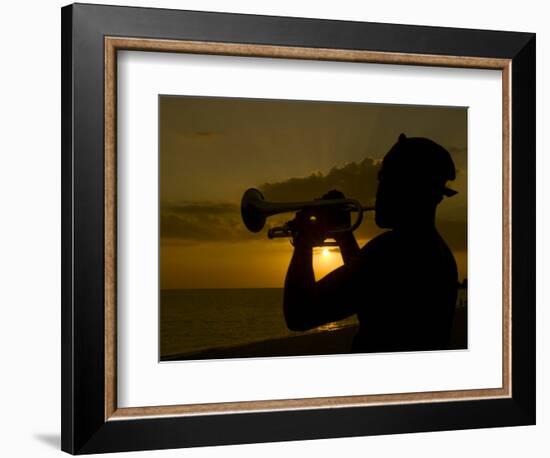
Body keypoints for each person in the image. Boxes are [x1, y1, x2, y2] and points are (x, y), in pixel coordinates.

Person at [283, 133, 458, 352]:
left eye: (386, 180)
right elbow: (367, 289)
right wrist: (344, 235)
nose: (379, 192)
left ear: (409, 188)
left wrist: (303, 242)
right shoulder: (436, 250)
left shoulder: (392, 251)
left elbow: (299, 315)